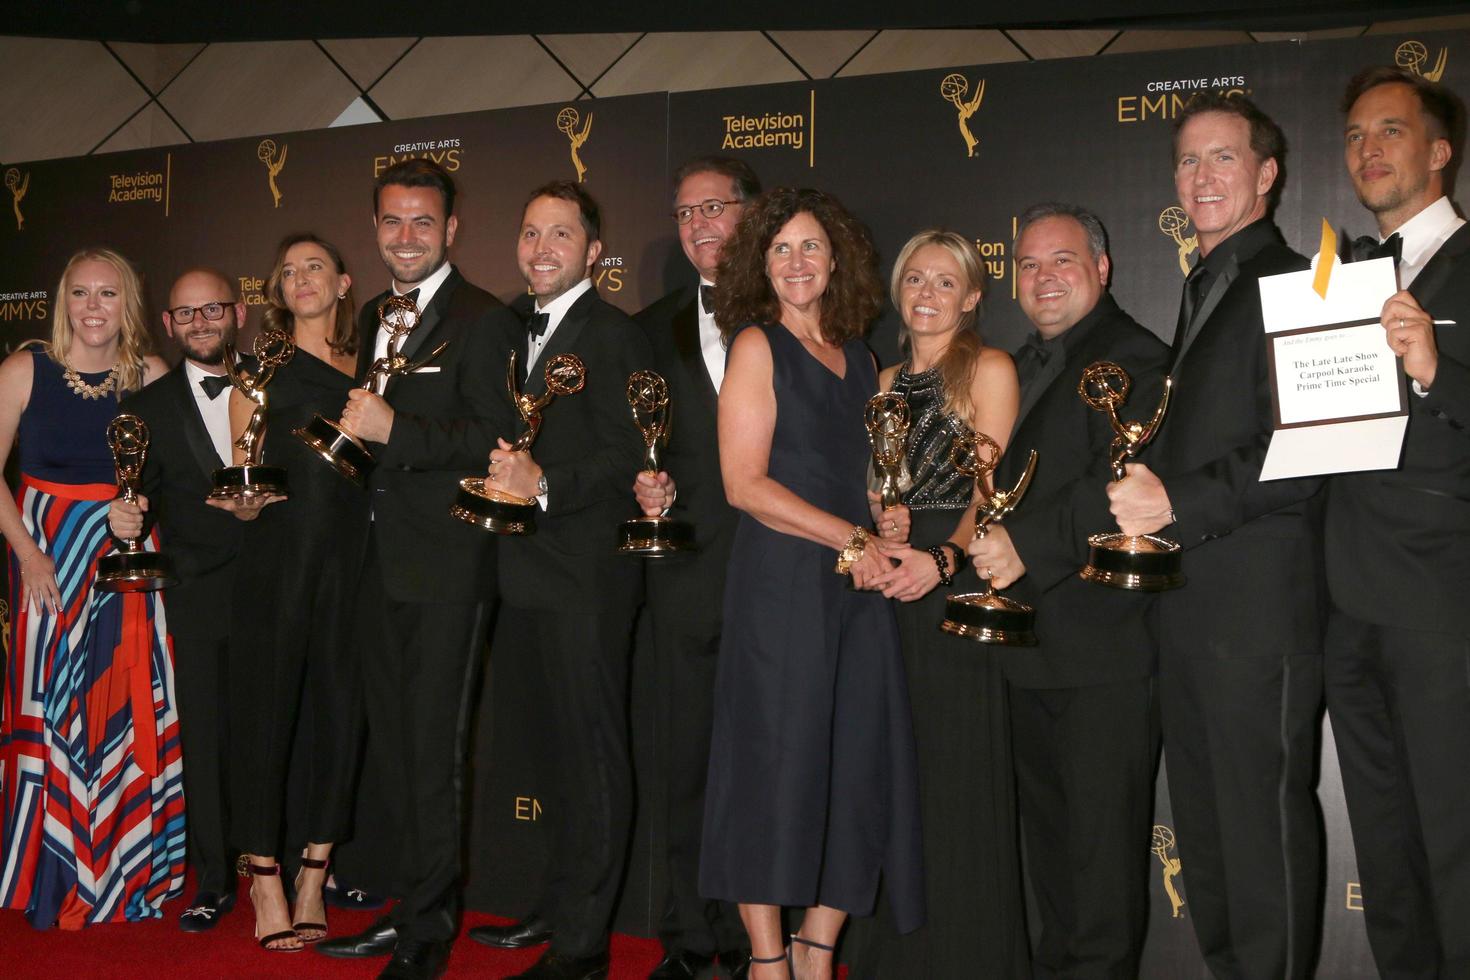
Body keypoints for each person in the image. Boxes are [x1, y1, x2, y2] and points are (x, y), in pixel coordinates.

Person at [1106, 94, 1325, 979]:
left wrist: (1177, 506)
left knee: (1258, 838)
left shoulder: (1298, 282)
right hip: (1188, 617)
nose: (1201, 177)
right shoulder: (1203, 290)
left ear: (1267, 175)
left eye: (1223, 158)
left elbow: (1308, 449)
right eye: (1188, 161)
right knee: (1205, 835)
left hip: (1259, 620)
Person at [700, 187, 923, 980]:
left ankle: (817, 947)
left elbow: (851, 476)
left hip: (854, 585)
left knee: (855, 759)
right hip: (783, 584)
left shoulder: (860, 358)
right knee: (771, 764)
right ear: (762, 262)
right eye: (781, 248)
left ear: (838, 261)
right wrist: (852, 536)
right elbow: (743, 485)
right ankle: (767, 961)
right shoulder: (756, 346)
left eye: (811, 248)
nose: (797, 262)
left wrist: (882, 519)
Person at [313, 160, 517, 980]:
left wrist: (396, 428)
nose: (406, 237)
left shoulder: (485, 318)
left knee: (434, 749)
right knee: (395, 749)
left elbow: (496, 439)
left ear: (452, 230)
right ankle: (407, 906)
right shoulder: (369, 313)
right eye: (393, 222)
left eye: (422, 223)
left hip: (446, 565)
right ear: (375, 228)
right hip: (374, 561)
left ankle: (430, 928)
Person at [968, 205, 1168, 977]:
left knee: (1100, 870)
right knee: (1051, 863)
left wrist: (1024, 546)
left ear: (1103, 268)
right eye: (1028, 265)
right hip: (1030, 653)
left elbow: (1123, 485)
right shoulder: (1016, 367)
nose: (1043, 278)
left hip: (1103, 655)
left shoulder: (1137, 358)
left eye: (1063, 261)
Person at [465, 181, 650, 980]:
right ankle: (558, 900)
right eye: (531, 232)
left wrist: (543, 484)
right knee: (547, 758)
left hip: (585, 575)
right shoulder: (503, 331)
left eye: (561, 236)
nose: (541, 249)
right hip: (519, 573)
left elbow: (628, 456)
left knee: (591, 757)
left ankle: (583, 947)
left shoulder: (617, 337)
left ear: (594, 252)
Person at [840, 227, 1024, 979]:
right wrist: (882, 532)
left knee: (954, 785)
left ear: (973, 296)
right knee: (891, 780)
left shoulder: (989, 368)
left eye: (946, 282)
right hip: (888, 598)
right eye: (915, 278)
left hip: (951, 598)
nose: (927, 293)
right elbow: (876, 491)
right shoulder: (880, 384)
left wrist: (940, 562)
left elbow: (990, 498)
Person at [1327, 66, 1470, 978]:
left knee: (1457, 848)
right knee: (1385, 853)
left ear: (1440, 152)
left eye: (1389, 131)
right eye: (1353, 136)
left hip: (1442, 606)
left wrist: (1434, 371)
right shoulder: (1337, 276)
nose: (1367, 150)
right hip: (1345, 603)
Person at [0, 247, 177, 927]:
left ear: (127, 301)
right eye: (81, 293)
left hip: (126, 557)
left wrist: (144, 511)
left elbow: (175, 478)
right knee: (52, 707)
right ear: (63, 300)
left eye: (108, 294)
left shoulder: (153, 374)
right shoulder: (25, 368)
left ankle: (127, 865)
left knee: (123, 709)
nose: (93, 308)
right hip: (44, 556)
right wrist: (30, 557)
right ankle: (51, 871)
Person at [211, 234, 369, 952]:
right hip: (276, 567)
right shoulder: (258, 371)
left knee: (342, 717)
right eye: (288, 270)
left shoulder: (375, 369)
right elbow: (243, 475)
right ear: (276, 290)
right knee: (265, 721)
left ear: (343, 283)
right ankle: (265, 876)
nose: (301, 278)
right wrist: (242, 504)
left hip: (355, 567)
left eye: (316, 267)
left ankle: (315, 871)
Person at [630, 155, 761, 980]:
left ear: (749, 214)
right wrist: (644, 484)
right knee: (683, 763)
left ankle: (761, 941)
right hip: (684, 569)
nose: (701, 225)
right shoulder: (647, 328)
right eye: (685, 214)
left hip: (783, 566)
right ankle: (688, 936)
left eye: (716, 207)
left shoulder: (801, 311)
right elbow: (629, 443)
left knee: (766, 760)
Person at [106, 268, 249, 933]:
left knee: (291, 722)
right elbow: (146, 490)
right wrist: (127, 516)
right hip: (198, 588)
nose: (200, 322)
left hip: (286, 583)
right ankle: (215, 877)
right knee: (209, 735)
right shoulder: (148, 408)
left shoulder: (283, 382)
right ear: (167, 324)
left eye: (212, 309)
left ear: (237, 312)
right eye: (185, 313)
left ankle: (308, 864)